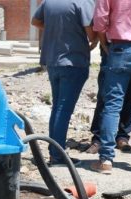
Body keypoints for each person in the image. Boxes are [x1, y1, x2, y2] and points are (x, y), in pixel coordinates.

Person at [31, 0, 97, 166]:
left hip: (53, 62)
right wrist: (96, 40)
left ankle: (55, 152)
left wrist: (57, 31)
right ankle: (57, 156)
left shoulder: (49, 2)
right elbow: (91, 32)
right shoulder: (82, 2)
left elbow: (35, 21)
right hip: (73, 62)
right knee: (63, 109)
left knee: (57, 107)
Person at [91, 0, 131, 175]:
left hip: (120, 47)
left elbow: (99, 22)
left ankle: (106, 159)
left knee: (112, 105)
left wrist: (105, 45)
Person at [85, 47, 131, 154]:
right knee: (105, 97)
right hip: (112, 50)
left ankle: (122, 137)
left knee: (130, 96)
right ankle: (98, 139)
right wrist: (105, 47)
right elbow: (100, 30)